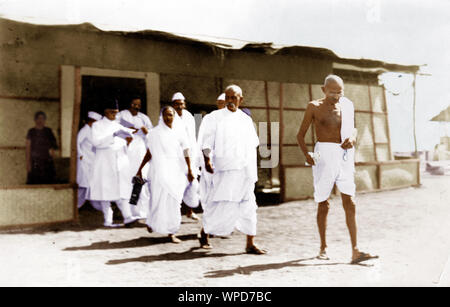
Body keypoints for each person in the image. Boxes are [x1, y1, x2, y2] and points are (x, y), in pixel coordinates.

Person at [297, 74, 378, 264]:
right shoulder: (314, 107)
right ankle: (323, 248)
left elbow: (354, 129)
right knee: (323, 202)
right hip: (323, 154)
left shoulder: (347, 105)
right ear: (323, 90)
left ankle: (355, 250)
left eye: (339, 92)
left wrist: (352, 139)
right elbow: (300, 135)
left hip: (344, 155)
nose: (335, 96)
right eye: (332, 92)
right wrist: (307, 155)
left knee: (350, 201)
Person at [198, 85, 266, 254]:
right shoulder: (214, 118)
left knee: (249, 205)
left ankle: (250, 243)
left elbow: (253, 145)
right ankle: (204, 233)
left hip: (244, 170)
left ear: (240, 99)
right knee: (219, 203)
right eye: (227, 97)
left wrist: (252, 169)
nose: (230, 101)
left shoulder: (245, 120)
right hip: (224, 169)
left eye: (233, 98)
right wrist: (207, 160)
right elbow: (206, 142)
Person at [136, 106, 195, 243]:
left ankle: (172, 232)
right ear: (162, 116)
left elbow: (186, 151)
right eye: (166, 115)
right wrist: (140, 168)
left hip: (175, 170)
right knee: (156, 199)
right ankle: (152, 222)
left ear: (174, 116)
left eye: (171, 115)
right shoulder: (154, 133)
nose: (169, 117)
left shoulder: (180, 132)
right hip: (157, 170)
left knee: (174, 201)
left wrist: (190, 169)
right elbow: (149, 152)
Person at [89, 98, 139, 228]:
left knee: (122, 189)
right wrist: (113, 135)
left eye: (116, 112)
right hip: (105, 161)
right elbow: (96, 142)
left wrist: (128, 140)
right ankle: (108, 220)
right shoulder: (97, 126)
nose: (115, 115)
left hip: (120, 161)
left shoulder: (118, 125)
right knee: (106, 191)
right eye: (112, 112)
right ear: (105, 112)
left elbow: (127, 140)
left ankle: (127, 217)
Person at [118, 96, 153, 219]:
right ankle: (128, 211)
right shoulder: (121, 115)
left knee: (139, 179)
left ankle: (140, 211)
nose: (136, 107)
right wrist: (127, 132)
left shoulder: (144, 118)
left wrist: (146, 131)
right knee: (127, 180)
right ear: (129, 104)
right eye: (134, 104)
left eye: (138, 104)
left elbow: (151, 135)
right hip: (126, 148)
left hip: (139, 150)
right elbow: (115, 129)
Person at [171, 92, 200, 220]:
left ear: (185, 104)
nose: (179, 106)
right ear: (173, 105)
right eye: (177, 104)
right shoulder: (167, 115)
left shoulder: (189, 116)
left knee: (192, 182)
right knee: (176, 183)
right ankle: (174, 213)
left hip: (190, 154)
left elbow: (192, 137)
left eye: (181, 104)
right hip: (175, 156)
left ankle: (190, 210)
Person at [197, 93, 225, 208]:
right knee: (209, 187)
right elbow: (205, 140)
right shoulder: (210, 118)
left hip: (227, 160)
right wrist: (206, 160)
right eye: (221, 103)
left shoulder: (234, 119)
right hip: (211, 158)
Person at [77, 111, 102, 209]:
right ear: (92, 121)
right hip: (84, 162)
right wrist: (80, 155)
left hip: (91, 161)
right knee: (83, 186)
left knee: (91, 185)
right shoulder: (85, 130)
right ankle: (75, 207)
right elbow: (77, 142)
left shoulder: (93, 131)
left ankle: (98, 206)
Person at [26, 111, 58, 184]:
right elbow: (28, 148)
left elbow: (53, 147)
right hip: (35, 162)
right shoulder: (31, 131)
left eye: (42, 118)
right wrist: (28, 164)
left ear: (45, 120)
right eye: (38, 118)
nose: (40, 120)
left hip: (46, 162)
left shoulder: (48, 131)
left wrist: (53, 158)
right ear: (35, 120)